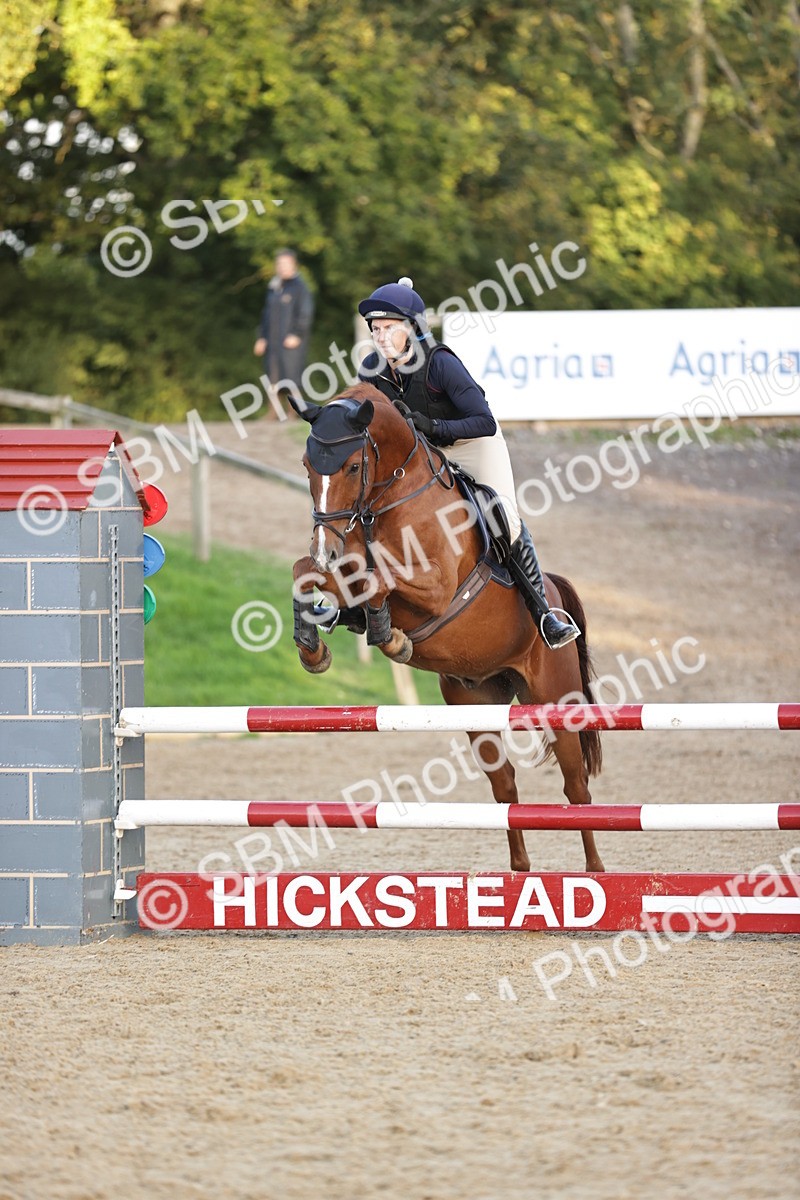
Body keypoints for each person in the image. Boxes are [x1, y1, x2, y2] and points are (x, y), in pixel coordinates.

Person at [357, 277, 579, 650]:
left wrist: (433, 426)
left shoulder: (441, 364)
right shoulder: (372, 371)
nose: (379, 337)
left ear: (412, 329)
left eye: (388, 329)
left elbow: (484, 420)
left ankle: (544, 614)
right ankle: (349, 599)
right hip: (425, 453)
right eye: (375, 330)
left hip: (472, 443)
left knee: (501, 515)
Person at [253, 249, 314, 408]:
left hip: (291, 341)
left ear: (294, 265)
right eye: (279, 264)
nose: (282, 267)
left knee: (291, 376)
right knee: (273, 376)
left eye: (286, 263)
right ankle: (273, 411)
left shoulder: (300, 287)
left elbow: (305, 313)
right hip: (273, 341)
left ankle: (296, 410)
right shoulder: (274, 287)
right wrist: (261, 337)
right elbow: (266, 315)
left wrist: (297, 334)